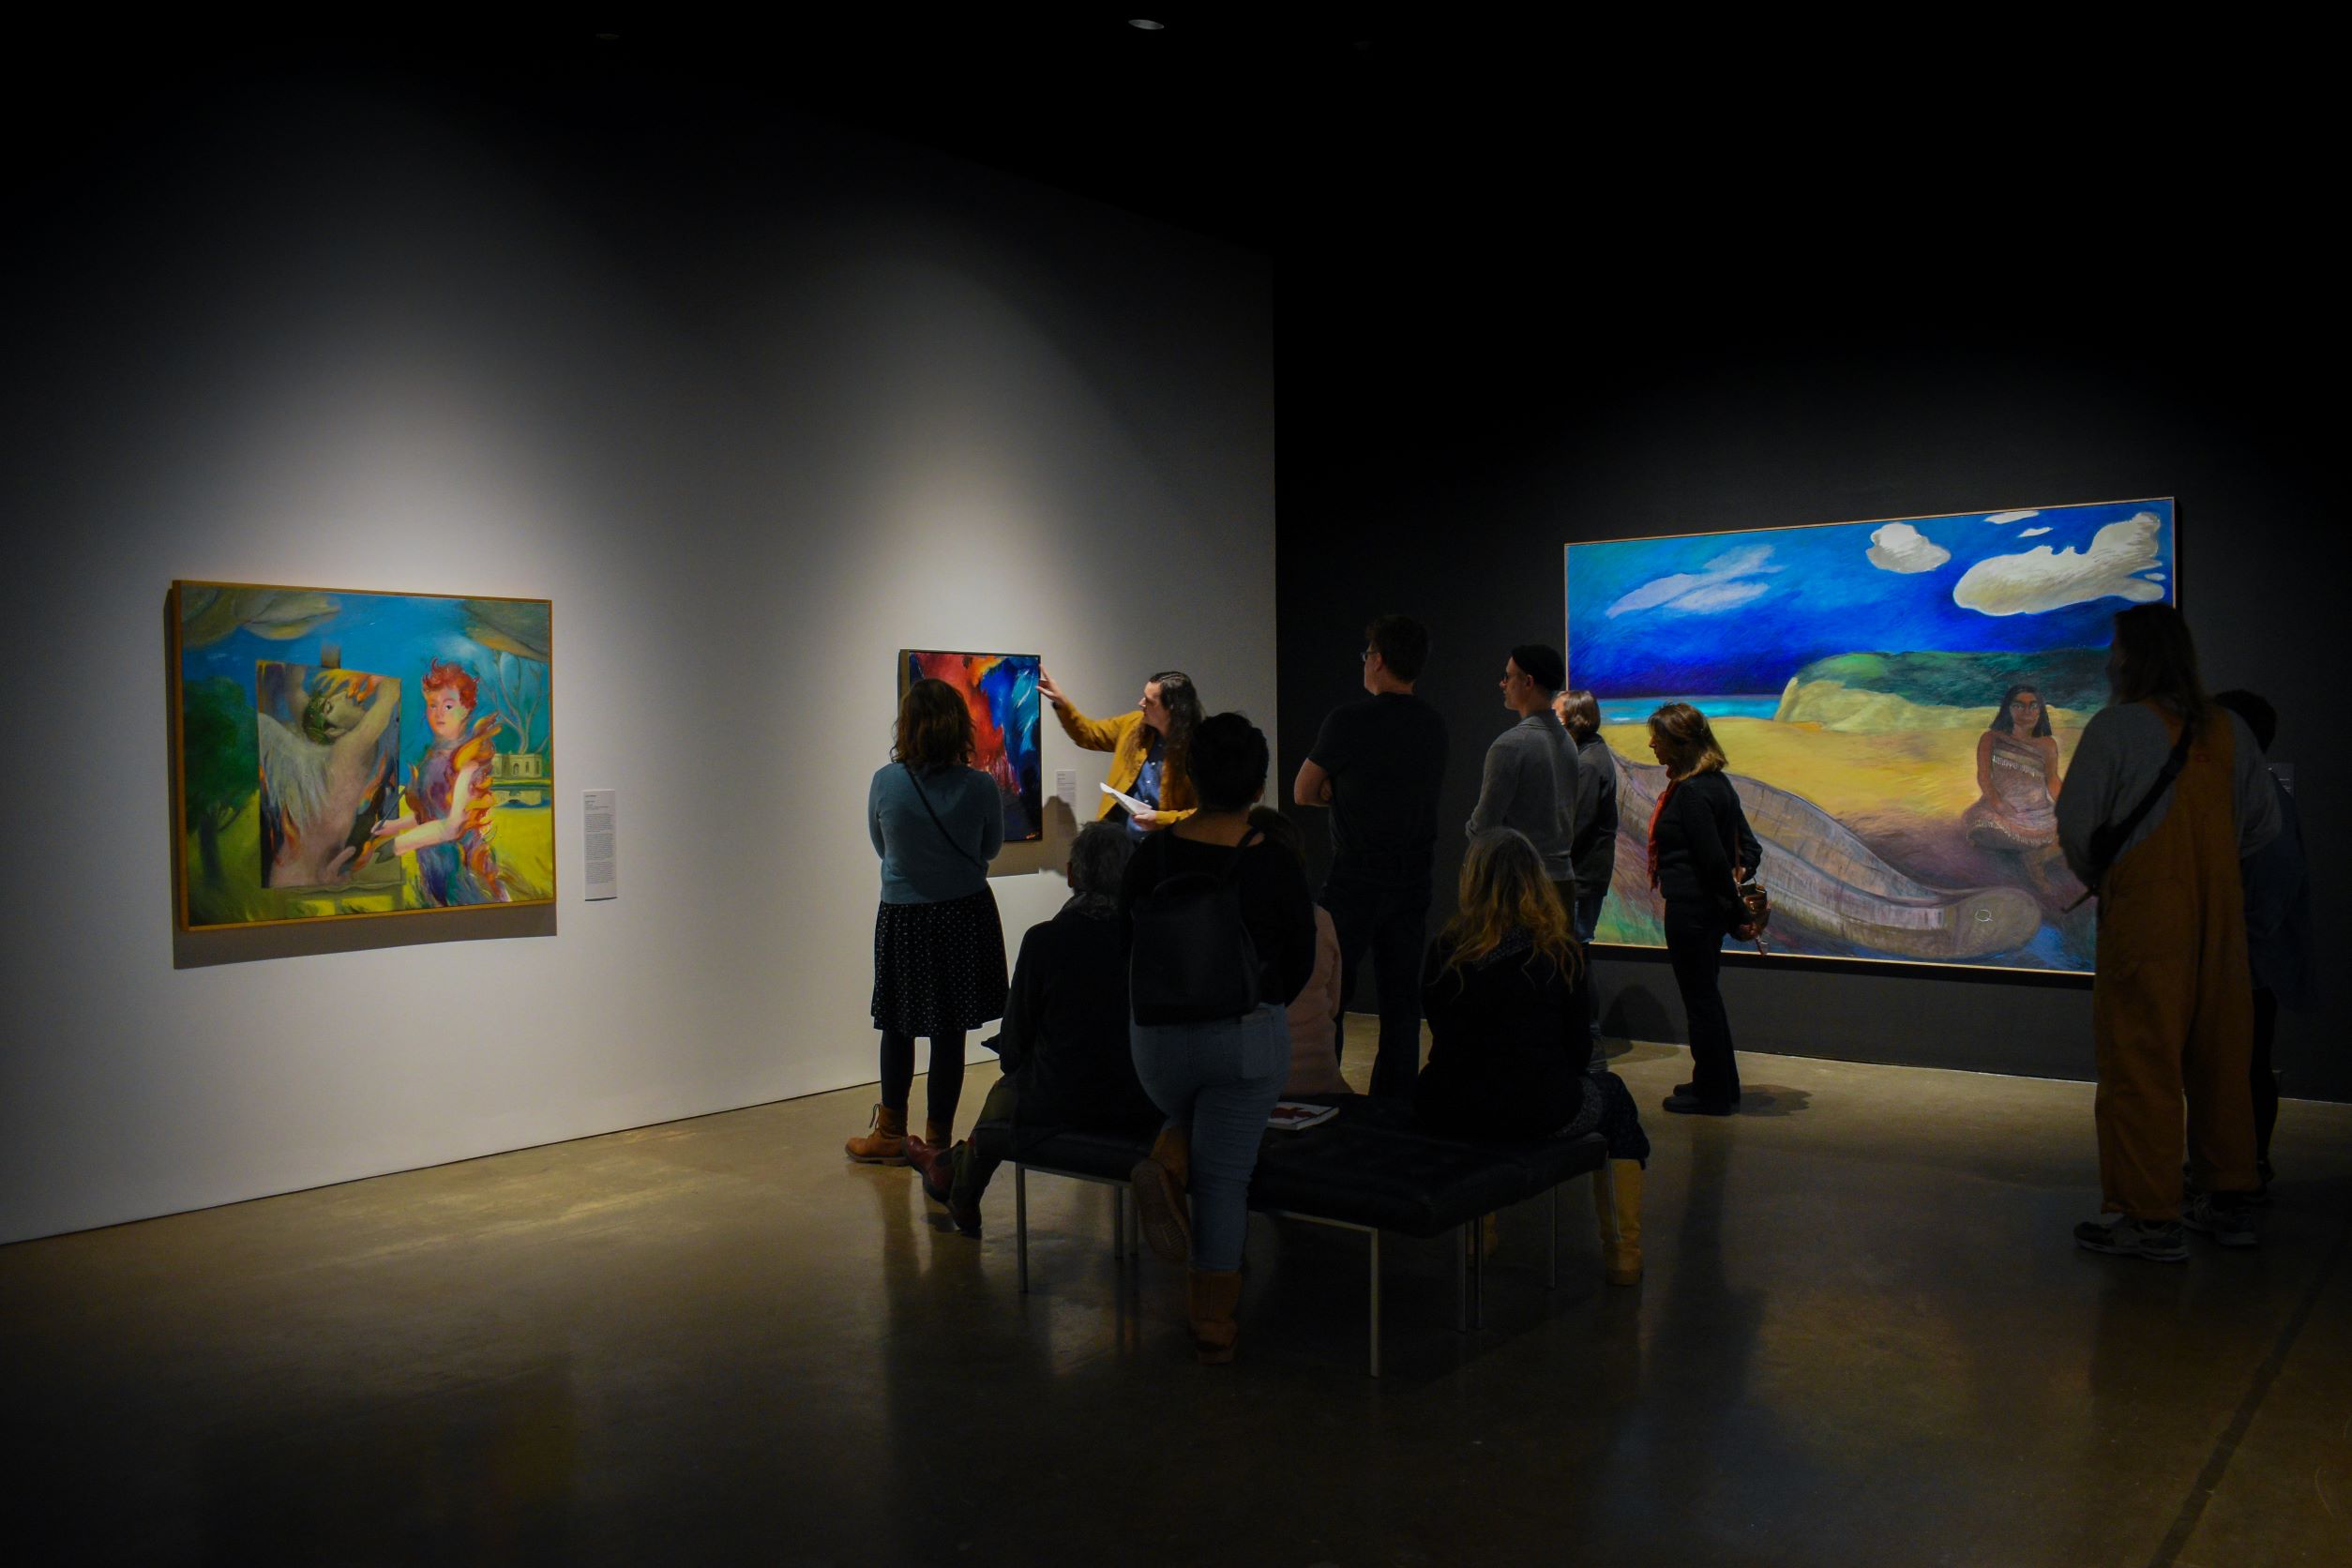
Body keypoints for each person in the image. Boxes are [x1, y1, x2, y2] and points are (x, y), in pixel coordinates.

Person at [2058, 606, 2278, 1260]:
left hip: (2148, 915)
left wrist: (2110, 875)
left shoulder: (2117, 728)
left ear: (2132, 657)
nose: (2108, 660)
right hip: (2221, 913)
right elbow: (2262, 827)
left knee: (2139, 1059)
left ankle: (2151, 1218)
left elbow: (2076, 826)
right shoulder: (2232, 730)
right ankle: (2227, 1198)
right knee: (2223, 1056)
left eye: (2116, 648)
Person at [1124, 714, 1318, 1363]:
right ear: (1260, 784)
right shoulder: (1276, 861)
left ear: (1191, 777)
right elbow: (1298, 964)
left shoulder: (1153, 852)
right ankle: (1211, 1323)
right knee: (1225, 1179)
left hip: (1156, 1044)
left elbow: (1129, 940)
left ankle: (1169, 1156)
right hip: (1240, 1040)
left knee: (1193, 1117)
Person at [1416, 830, 1649, 1285]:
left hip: (1447, 1105)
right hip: (1535, 1108)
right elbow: (1579, 1051)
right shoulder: (1560, 953)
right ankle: (1624, 1254)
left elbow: (1440, 1027)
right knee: (1616, 1100)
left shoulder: (1447, 948)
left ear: (1473, 882)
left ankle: (1477, 1235)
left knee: (1482, 1103)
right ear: (1535, 882)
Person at [906, 822, 1159, 1235]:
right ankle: (946, 1170)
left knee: (1003, 1098)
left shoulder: (1045, 941)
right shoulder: (1149, 941)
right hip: (1140, 1098)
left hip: (1061, 1099)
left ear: (1073, 875)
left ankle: (953, 1180)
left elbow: (1014, 1048)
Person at [847, 678, 1009, 1165]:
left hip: (904, 917)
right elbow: (991, 849)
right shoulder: (980, 786)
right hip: (963, 913)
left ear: (908, 726)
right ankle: (936, 1142)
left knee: (896, 1025)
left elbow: (881, 846)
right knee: (950, 1030)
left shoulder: (885, 781)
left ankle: (891, 1133)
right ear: (960, 726)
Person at [1293, 614, 1449, 1099]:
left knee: (1330, 990)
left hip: (1356, 874)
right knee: (1401, 998)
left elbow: (1302, 791)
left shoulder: (1349, 719)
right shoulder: (1433, 724)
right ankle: (1394, 1104)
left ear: (1378, 660)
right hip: (1413, 875)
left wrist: (1338, 794)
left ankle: (1326, 1091)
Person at [2212, 689, 2311, 1198]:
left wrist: (2237, 941)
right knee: (2243, 1064)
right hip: (2248, 960)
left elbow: (2272, 887)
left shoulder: (2262, 800)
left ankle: (2240, 1173)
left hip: (2247, 963)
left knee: (2243, 1066)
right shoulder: (2258, 796)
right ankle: (2241, 1167)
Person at [1644, 703, 1761, 1116]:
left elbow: (1713, 862)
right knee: (1706, 997)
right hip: (1705, 910)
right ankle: (1720, 1083)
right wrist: (1732, 905)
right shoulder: (1716, 784)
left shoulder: (1691, 792)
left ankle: (1711, 1094)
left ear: (1680, 744)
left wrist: (1737, 916)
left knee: (1700, 1002)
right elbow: (1749, 848)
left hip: (1692, 910)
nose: (1652, 744)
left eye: (1658, 737)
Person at [368, 660, 508, 906]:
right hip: (433, 872)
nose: (438, 712)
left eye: (448, 705)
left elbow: (452, 826)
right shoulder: (431, 759)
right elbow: (430, 814)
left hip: (465, 875)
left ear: (466, 709)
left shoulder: (469, 763)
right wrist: (394, 825)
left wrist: (400, 844)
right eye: (432, 705)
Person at [1467, 643, 1578, 909]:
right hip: (1562, 882)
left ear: (1528, 682)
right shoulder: (1568, 742)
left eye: (1508, 676)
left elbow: (1484, 826)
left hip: (1522, 886)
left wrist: (1470, 829)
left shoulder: (1511, 745)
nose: (1502, 683)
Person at [1247, 807, 1348, 1095]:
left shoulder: (1225, 924)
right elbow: (1333, 1004)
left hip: (1253, 1092)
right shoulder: (1320, 920)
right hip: (1321, 1083)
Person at [1038, 668, 1202, 838]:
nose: (1141, 703)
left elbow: (1206, 814)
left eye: (1149, 701)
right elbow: (1087, 734)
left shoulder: (1199, 748)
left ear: (1172, 709)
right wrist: (1061, 703)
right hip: (1121, 846)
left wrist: (1162, 820)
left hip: (1167, 849)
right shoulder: (1132, 725)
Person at [1556, 688, 1620, 944]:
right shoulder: (1590, 754)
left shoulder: (1588, 763)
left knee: (1571, 951)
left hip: (1580, 878)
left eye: (1555, 714)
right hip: (1582, 877)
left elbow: (1576, 824)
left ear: (1573, 719)